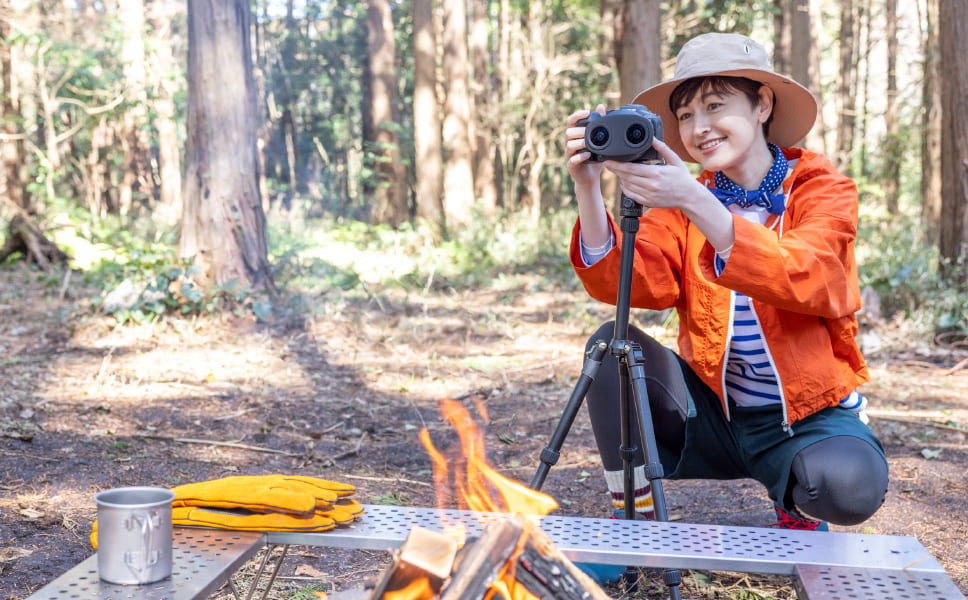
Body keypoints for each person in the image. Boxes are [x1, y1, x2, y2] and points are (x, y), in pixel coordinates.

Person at [563, 32, 889, 543]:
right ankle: (634, 518)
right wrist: (587, 188)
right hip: (712, 411)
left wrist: (697, 201)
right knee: (611, 347)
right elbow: (637, 282)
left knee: (848, 487)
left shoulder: (822, 188)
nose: (699, 128)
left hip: (802, 417)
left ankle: (797, 501)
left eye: (716, 106)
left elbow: (811, 275)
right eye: (687, 115)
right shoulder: (685, 199)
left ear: (762, 105)